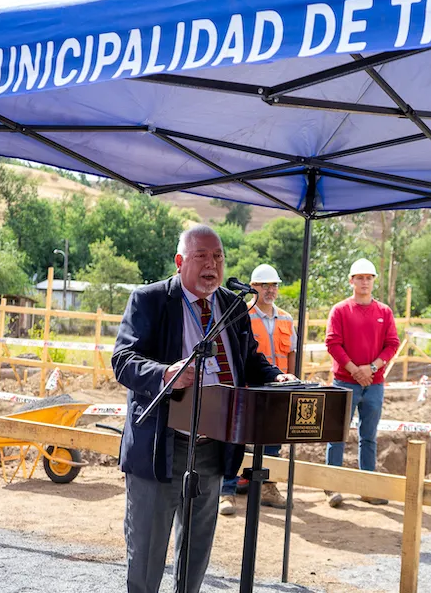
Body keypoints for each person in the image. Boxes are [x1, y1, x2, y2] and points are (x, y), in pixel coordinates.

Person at [112, 224, 296, 593]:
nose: (212, 264)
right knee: (147, 557)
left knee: (195, 555)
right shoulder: (150, 300)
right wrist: (165, 373)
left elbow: (250, 359)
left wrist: (276, 377)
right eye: (202, 256)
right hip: (161, 446)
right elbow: (123, 360)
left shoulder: (232, 305)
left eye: (218, 256)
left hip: (213, 446)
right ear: (180, 261)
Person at [219, 263, 297, 515]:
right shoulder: (244, 315)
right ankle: (226, 490)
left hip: (278, 388)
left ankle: (268, 488)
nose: (270, 289)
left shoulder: (285, 318)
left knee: (274, 440)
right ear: (252, 288)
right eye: (265, 285)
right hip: (249, 387)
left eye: (274, 285)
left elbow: (291, 352)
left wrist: (290, 379)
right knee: (237, 438)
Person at [324, 258, 400, 507]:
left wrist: (373, 368)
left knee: (369, 437)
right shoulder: (340, 310)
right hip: (345, 383)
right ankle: (332, 485)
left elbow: (392, 344)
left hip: (374, 385)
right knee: (337, 434)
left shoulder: (384, 312)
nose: (365, 282)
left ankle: (367, 486)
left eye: (369, 278)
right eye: (360, 277)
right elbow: (333, 343)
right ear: (351, 281)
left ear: (373, 281)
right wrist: (356, 370)